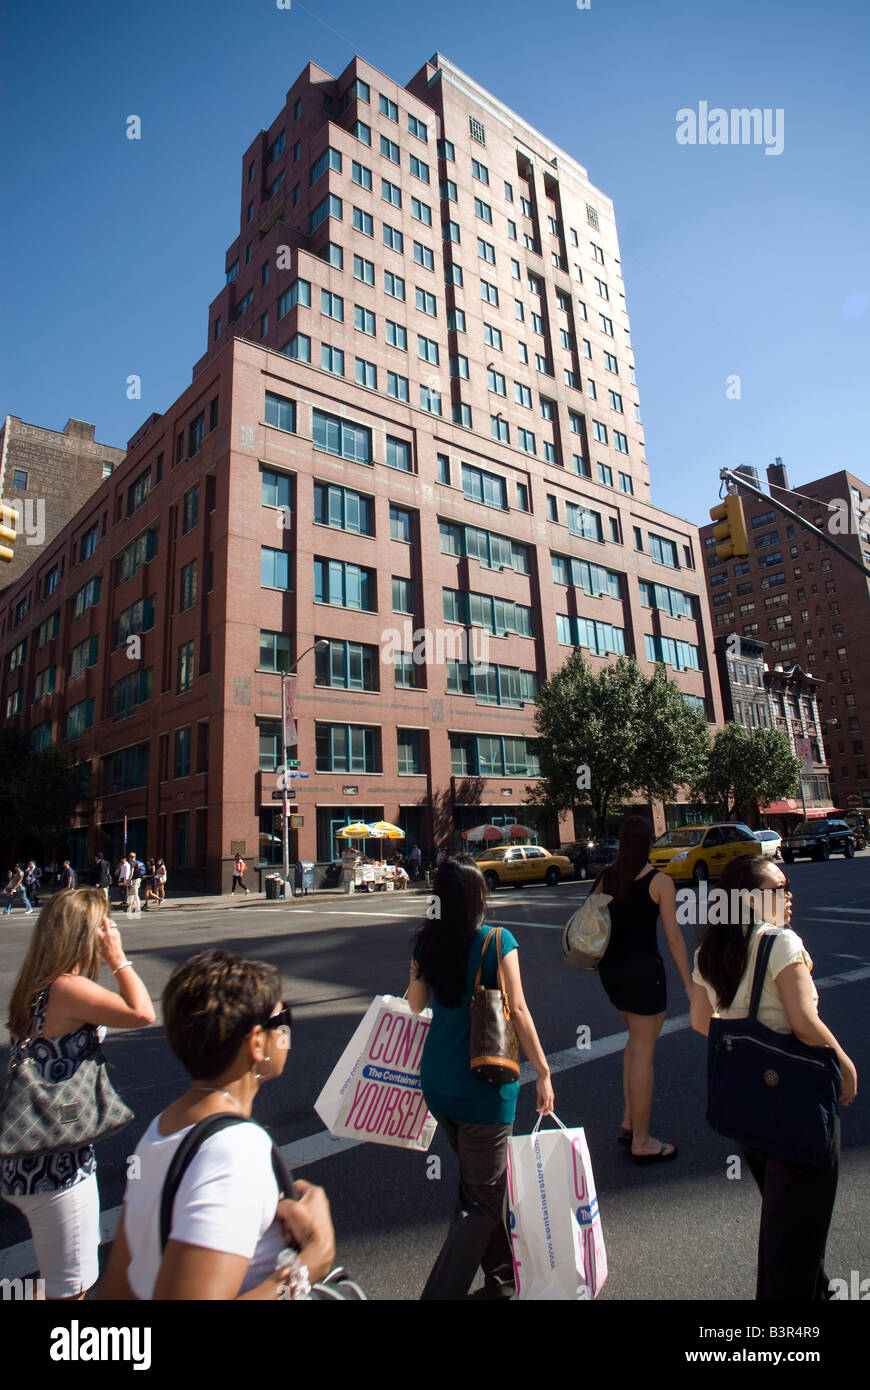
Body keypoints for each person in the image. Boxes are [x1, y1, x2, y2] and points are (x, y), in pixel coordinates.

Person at [99, 948, 335, 1300]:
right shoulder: (236, 1151)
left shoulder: (162, 1129)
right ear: (256, 1042)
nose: (286, 1031)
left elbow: (117, 1289)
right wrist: (309, 1265)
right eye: (281, 1020)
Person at [690, 855, 858, 1300]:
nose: (789, 896)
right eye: (779, 887)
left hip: (748, 1106)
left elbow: (701, 1020)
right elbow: (804, 1023)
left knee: (789, 1223)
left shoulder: (709, 950)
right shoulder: (780, 943)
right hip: (797, 1100)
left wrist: (750, 1030)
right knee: (795, 1236)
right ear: (748, 898)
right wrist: (844, 1064)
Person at [408, 855, 554, 1300]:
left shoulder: (425, 942)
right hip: (484, 1086)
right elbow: (520, 1011)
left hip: (438, 1083)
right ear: (477, 898)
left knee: (481, 1186)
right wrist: (543, 1072)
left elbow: (414, 1004)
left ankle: (505, 1280)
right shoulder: (497, 940)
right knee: (483, 1200)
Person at [1, 889, 155, 1299]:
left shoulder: (37, 985)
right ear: (84, 936)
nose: (110, 932)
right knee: (72, 1291)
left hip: (34, 1154)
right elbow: (143, 1012)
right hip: (58, 1167)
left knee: (55, 1280)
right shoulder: (67, 989)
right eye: (102, 927)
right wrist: (118, 957)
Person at [593, 815, 693, 1163]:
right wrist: (691, 986)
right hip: (644, 973)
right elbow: (674, 939)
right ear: (649, 841)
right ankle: (642, 1140)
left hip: (611, 974)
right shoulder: (660, 881)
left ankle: (629, 1118)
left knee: (635, 1042)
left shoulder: (606, 876)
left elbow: (589, 920)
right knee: (644, 1053)